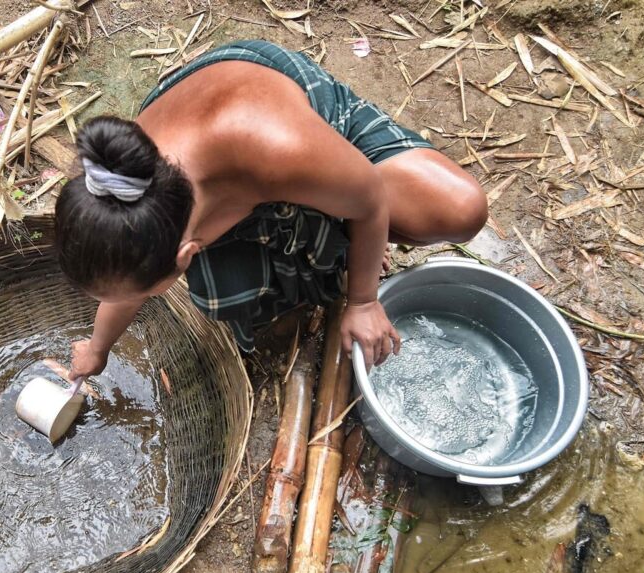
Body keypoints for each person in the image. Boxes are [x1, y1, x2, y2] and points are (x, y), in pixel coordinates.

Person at [55, 40, 487, 381]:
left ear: (188, 252)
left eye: (150, 290)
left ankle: (336, 218)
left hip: (270, 103)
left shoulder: (279, 150)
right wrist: (97, 348)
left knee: (459, 212)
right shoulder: (128, 192)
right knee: (227, 291)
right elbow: (126, 283)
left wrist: (363, 299)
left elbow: (371, 197)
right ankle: (332, 224)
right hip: (224, 139)